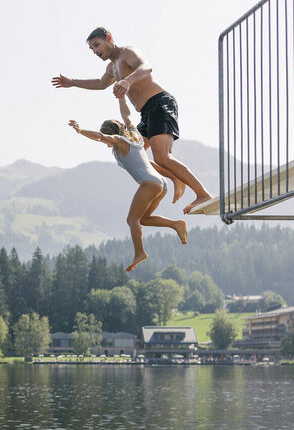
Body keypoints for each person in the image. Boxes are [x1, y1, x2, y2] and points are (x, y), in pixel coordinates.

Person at [52, 27, 212, 214]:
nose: (95, 51)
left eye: (97, 45)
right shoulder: (111, 68)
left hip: (159, 103)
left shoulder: (127, 53)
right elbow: (100, 84)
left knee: (162, 157)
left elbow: (146, 67)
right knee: (135, 155)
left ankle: (203, 194)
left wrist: (128, 81)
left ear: (109, 38)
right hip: (146, 112)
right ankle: (176, 177)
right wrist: (72, 82)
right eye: (92, 49)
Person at [69, 116, 187, 271]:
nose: (107, 145)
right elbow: (127, 116)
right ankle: (176, 224)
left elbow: (101, 137)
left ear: (111, 134)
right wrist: (172, 178)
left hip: (150, 183)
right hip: (161, 184)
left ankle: (140, 252)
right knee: (143, 219)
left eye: (107, 140)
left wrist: (81, 131)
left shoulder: (118, 140)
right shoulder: (134, 138)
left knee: (132, 219)